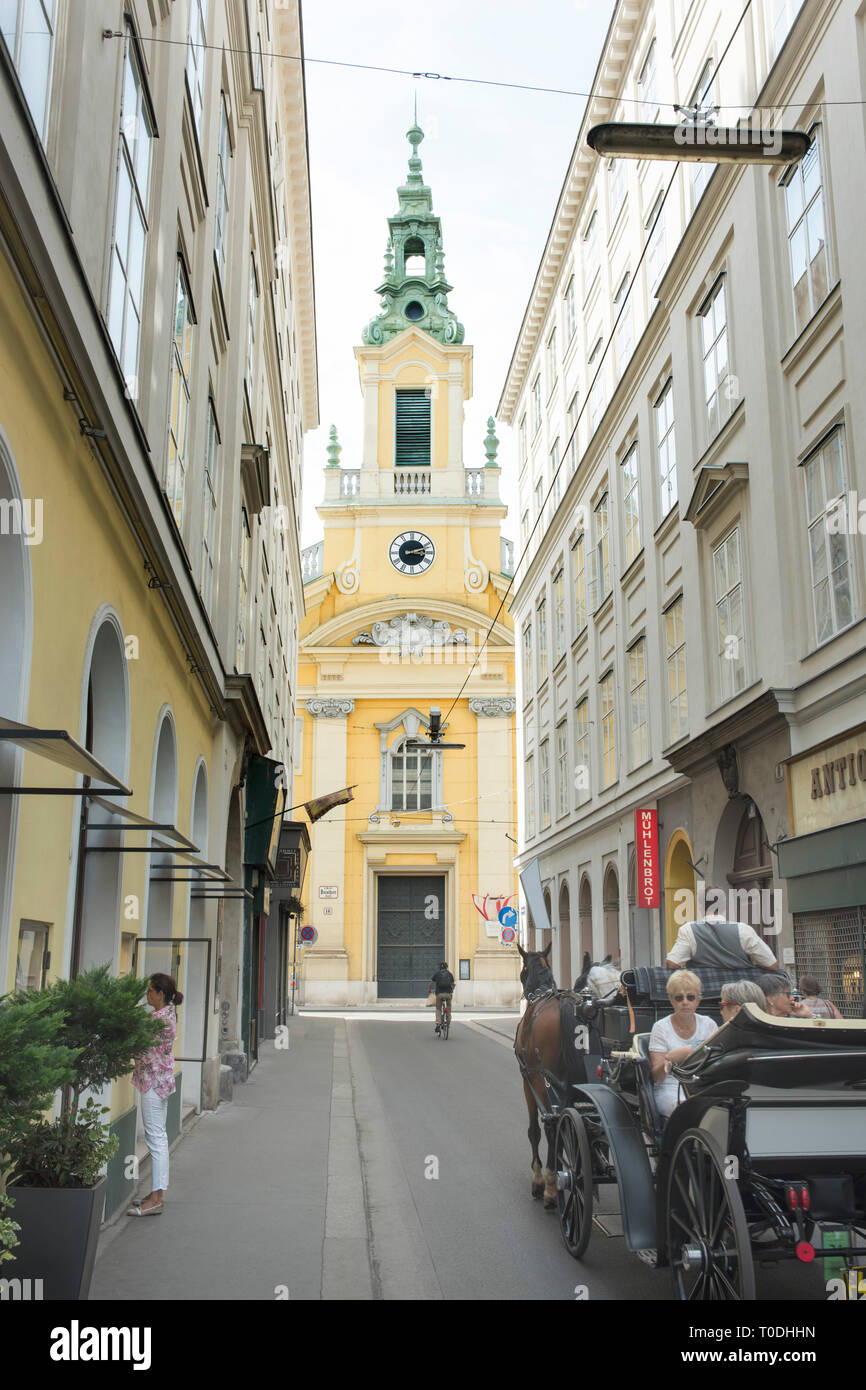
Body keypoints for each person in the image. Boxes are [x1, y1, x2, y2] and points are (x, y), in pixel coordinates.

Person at [127, 973, 183, 1216]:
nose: (147, 994)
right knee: (158, 1138)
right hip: (161, 1081)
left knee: (156, 1140)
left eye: (151, 991)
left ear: (160, 994)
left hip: (152, 1083)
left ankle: (156, 1199)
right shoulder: (168, 1014)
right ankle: (155, 1194)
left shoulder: (158, 1019)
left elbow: (135, 1040)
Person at [649, 970, 718, 1118]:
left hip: (701, 1086)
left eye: (690, 997)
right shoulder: (661, 1027)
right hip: (670, 1087)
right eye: (679, 998)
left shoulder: (708, 1025)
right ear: (672, 1001)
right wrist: (670, 1059)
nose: (685, 1002)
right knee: (685, 1111)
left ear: (698, 1000)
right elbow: (657, 1077)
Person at [666, 909, 778, 972]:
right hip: (740, 994)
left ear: (700, 908)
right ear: (724, 908)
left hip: (705, 995)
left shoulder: (688, 929)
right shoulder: (743, 929)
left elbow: (672, 963)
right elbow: (772, 965)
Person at [429, 961, 455, 1035]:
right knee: (448, 1007)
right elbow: (453, 984)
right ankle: (448, 1020)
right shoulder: (450, 974)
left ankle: (438, 1023)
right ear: (447, 967)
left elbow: (431, 983)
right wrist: (451, 990)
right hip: (448, 994)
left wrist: (429, 990)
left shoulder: (437, 974)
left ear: (439, 967)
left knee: (438, 1009)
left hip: (439, 994)